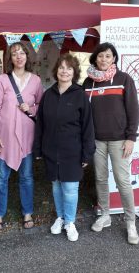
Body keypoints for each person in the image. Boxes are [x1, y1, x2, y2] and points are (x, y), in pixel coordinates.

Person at [82, 42, 139, 245]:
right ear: (95, 59)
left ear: (114, 58)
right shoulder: (88, 82)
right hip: (97, 140)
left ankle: (131, 222)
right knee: (100, 178)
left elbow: (134, 110)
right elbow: (84, 113)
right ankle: (105, 214)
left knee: (123, 181)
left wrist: (131, 137)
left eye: (108, 56)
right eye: (100, 56)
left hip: (119, 140)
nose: (104, 59)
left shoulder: (124, 79)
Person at [33, 53, 95, 241]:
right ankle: (60, 218)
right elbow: (40, 124)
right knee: (56, 186)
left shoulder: (80, 95)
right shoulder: (48, 95)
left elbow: (87, 127)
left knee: (70, 188)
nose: (64, 71)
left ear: (74, 72)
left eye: (69, 68)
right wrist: (38, 149)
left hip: (72, 151)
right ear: (56, 71)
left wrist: (86, 154)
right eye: (61, 67)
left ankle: (70, 222)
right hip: (51, 150)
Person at [0, 42, 43, 230]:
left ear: (27, 56)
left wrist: (31, 108)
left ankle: (27, 212)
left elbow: (41, 106)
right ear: (10, 58)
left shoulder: (36, 81)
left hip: (27, 136)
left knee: (27, 177)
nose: (19, 56)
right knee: (0, 178)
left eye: (22, 53)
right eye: (14, 54)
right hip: (4, 137)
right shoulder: (3, 80)